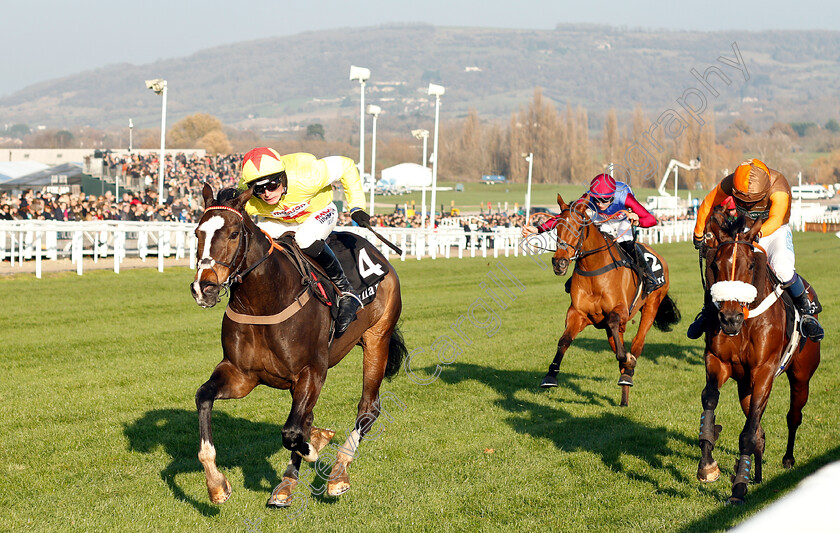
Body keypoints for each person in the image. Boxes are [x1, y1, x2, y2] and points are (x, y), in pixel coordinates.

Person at [686, 158, 824, 341]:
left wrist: (758, 234)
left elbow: (776, 218)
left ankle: (806, 311)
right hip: (744, 231)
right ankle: (708, 311)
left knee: (782, 268)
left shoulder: (779, 185)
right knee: (719, 264)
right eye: (743, 200)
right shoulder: (731, 181)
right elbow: (708, 203)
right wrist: (698, 233)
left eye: (754, 201)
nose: (748, 205)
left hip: (774, 232)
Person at [238, 148, 370, 336]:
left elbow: (346, 165)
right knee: (257, 247)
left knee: (305, 239)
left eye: (273, 185)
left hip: (319, 212)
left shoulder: (308, 175)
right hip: (280, 221)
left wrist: (356, 206)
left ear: (283, 177)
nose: (267, 193)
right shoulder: (248, 197)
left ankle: (347, 293)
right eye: (259, 189)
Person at [522, 173, 662, 293]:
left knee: (626, 243)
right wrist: (538, 230)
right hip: (602, 219)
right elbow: (567, 217)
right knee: (589, 242)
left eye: (604, 200)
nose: (600, 203)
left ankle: (649, 277)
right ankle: (576, 276)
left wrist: (637, 221)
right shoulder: (589, 197)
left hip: (623, 218)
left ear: (612, 196)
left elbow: (651, 219)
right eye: (597, 199)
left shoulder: (625, 197)